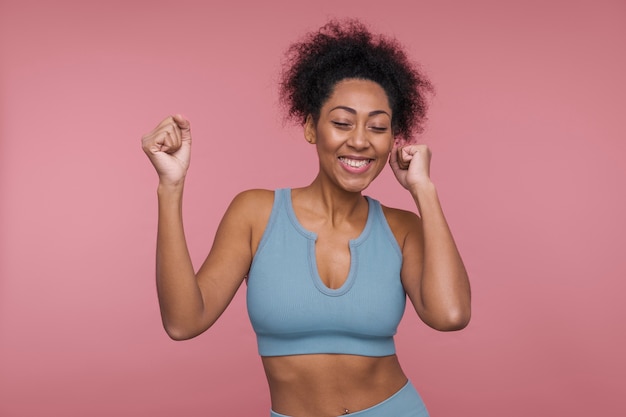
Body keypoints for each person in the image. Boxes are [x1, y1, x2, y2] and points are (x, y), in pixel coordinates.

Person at [142, 19, 471, 417]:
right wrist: (170, 187)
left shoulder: (403, 229)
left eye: (379, 127)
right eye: (342, 123)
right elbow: (183, 322)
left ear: (392, 138)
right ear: (311, 128)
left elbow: (450, 316)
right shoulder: (255, 213)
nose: (361, 140)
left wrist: (425, 191)